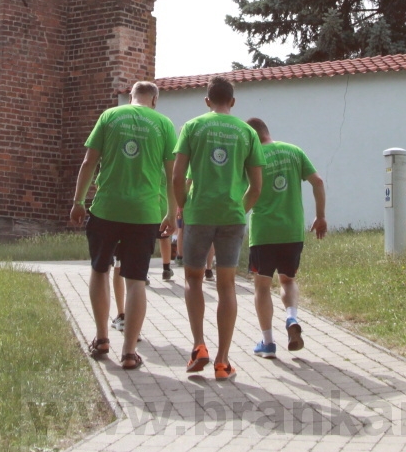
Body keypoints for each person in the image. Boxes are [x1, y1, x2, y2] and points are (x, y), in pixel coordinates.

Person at [70, 81, 177, 371]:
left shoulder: (109, 116)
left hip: (106, 208)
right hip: (144, 213)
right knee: (136, 281)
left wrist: (79, 201)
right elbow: (172, 175)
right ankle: (129, 352)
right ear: (154, 100)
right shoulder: (164, 124)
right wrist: (172, 212)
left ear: (130, 97)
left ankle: (102, 338)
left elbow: (89, 161)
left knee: (100, 270)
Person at [172, 76, 263, 381]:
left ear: (207, 100)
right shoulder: (247, 131)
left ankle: (199, 345)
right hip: (232, 215)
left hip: (199, 214)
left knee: (193, 278)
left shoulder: (193, 126)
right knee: (226, 286)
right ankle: (223, 362)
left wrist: (183, 205)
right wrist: (240, 209)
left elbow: (177, 175)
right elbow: (256, 186)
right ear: (233, 102)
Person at [245, 118, 327, 359]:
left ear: (251, 137)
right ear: (267, 132)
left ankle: (268, 343)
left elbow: (250, 190)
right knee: (287, 280)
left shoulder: (252, 157)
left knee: (261, 286)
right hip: (291, 231)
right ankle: (291, 317)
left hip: (264, 232)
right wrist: (320, 216)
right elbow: (318, 182)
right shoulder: (294, 151)